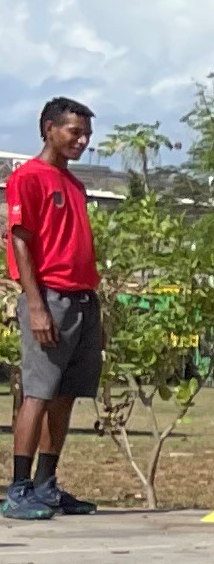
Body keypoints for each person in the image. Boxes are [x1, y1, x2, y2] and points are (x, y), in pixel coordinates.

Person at [6, 96, 101, 521]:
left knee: (66, 394)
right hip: (49, 297)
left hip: (82, 298)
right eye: (74, 132)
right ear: (48, 128)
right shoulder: (29, 177)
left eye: (86, 135)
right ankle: (19, 487)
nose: (82, 141)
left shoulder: (75, 184)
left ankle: (47, 484)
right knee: (38, 393)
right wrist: (36, 305)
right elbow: (20, 242)